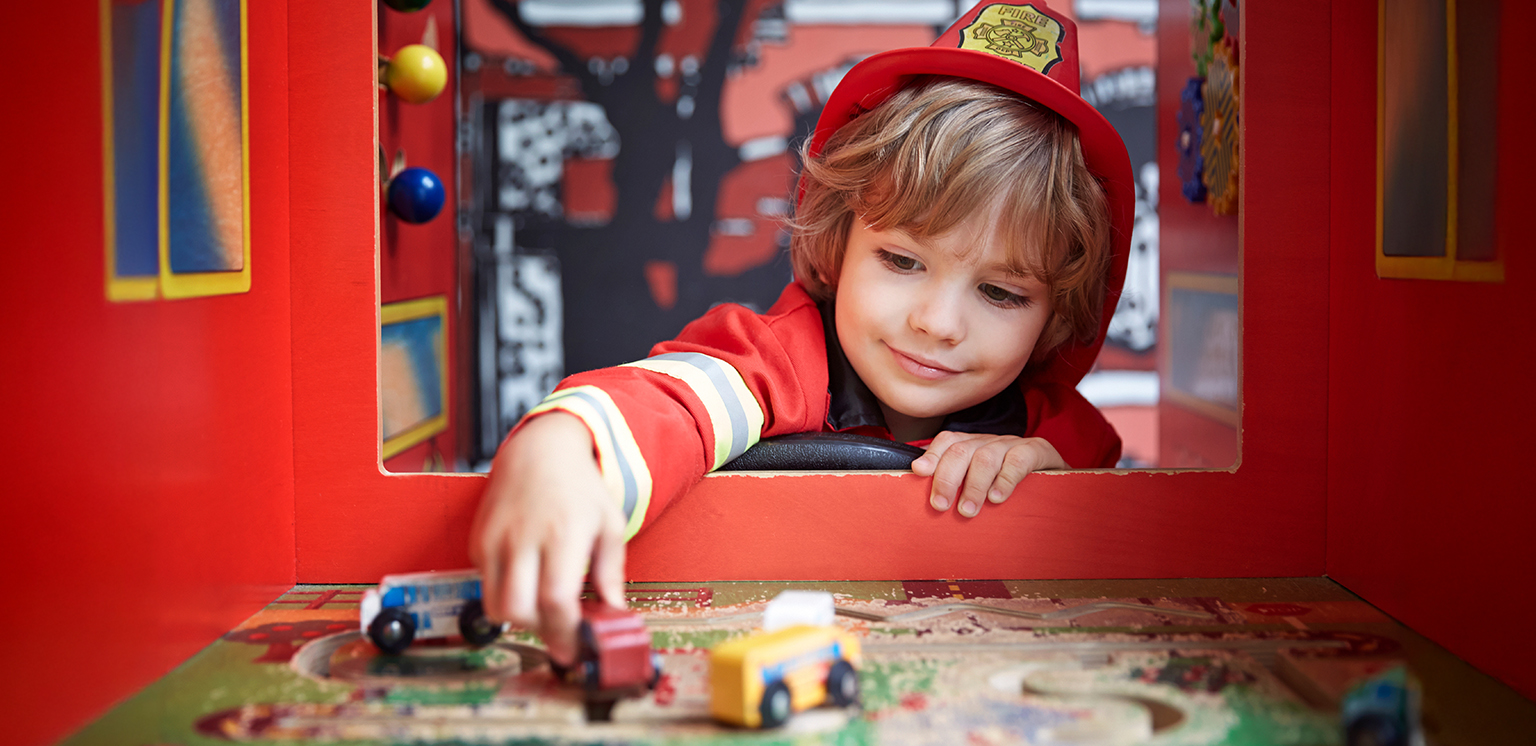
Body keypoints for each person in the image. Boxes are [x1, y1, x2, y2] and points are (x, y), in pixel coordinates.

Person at [470, 0, 1134, 664]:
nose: (937, 323)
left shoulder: (1044, 420)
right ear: (837, 241)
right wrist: (566, 448)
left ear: (1056, 313)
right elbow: (677, 400)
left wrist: (1040, 469)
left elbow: (1104, 482)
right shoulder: (778, 360)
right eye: (902, 261)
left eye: (1000, 292)